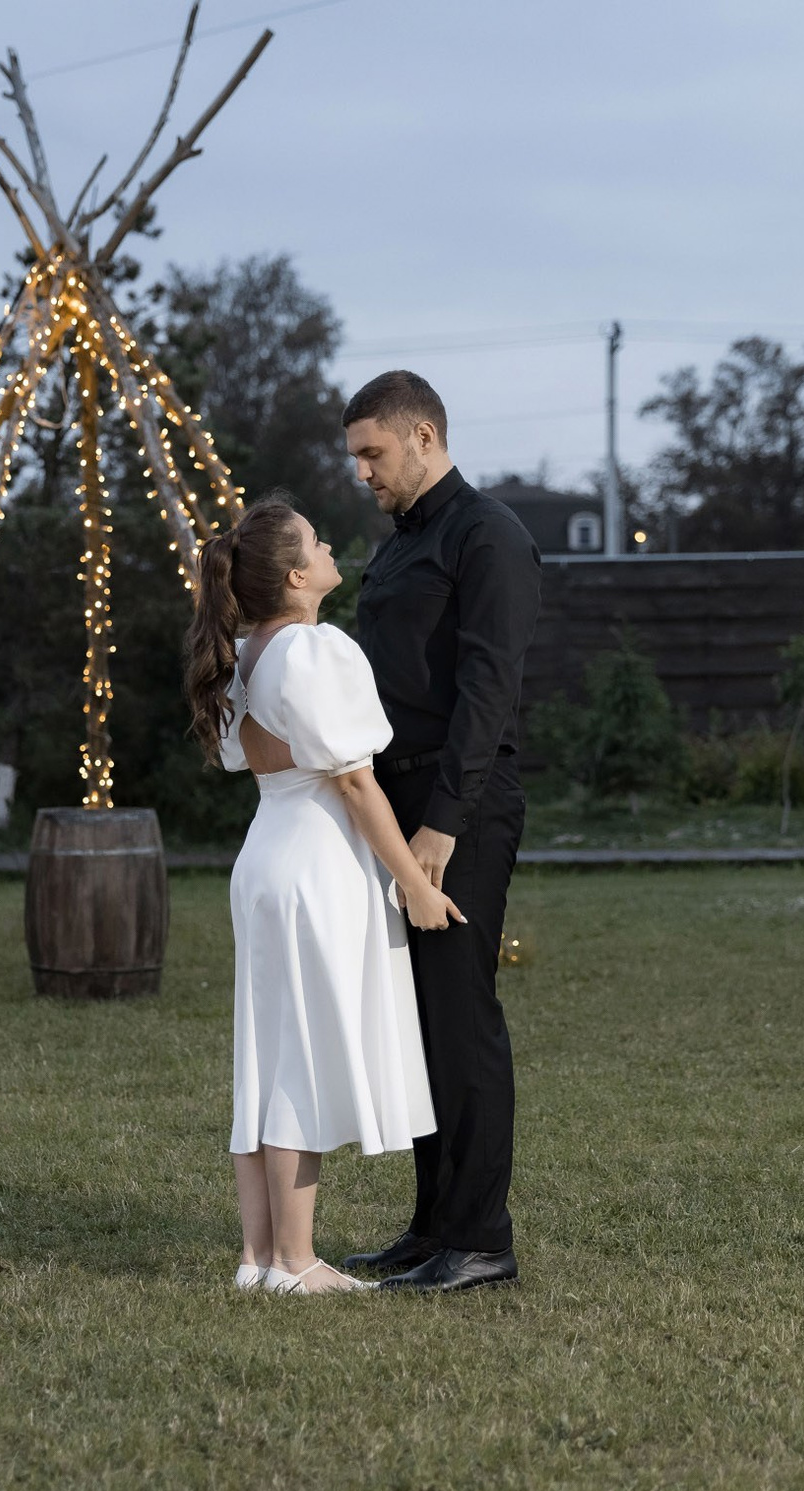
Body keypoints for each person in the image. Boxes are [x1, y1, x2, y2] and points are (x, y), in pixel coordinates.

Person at [184, 494, 466, 1295]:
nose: (330, 546)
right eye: (315, 541)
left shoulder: (246, 654)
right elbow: (353, 781)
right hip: (313, 865)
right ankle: (296, 1261)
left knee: (270, 1056)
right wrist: (414, 883)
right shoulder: (310, 651)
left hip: (267, 855)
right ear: (296, 575)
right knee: (299, 1060)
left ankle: (260, 1257)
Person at [337, 371, 541, 1294]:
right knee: (414, 1026)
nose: (363, 473)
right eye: (356, 457)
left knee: (460, 1018)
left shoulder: (489, 535)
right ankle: (432, 1227)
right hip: (395, 806)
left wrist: (441, 826)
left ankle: (483, 1238)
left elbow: (489, 690)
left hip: (460, 809)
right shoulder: (397, 547)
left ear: (423, 435)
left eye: (373, 453)